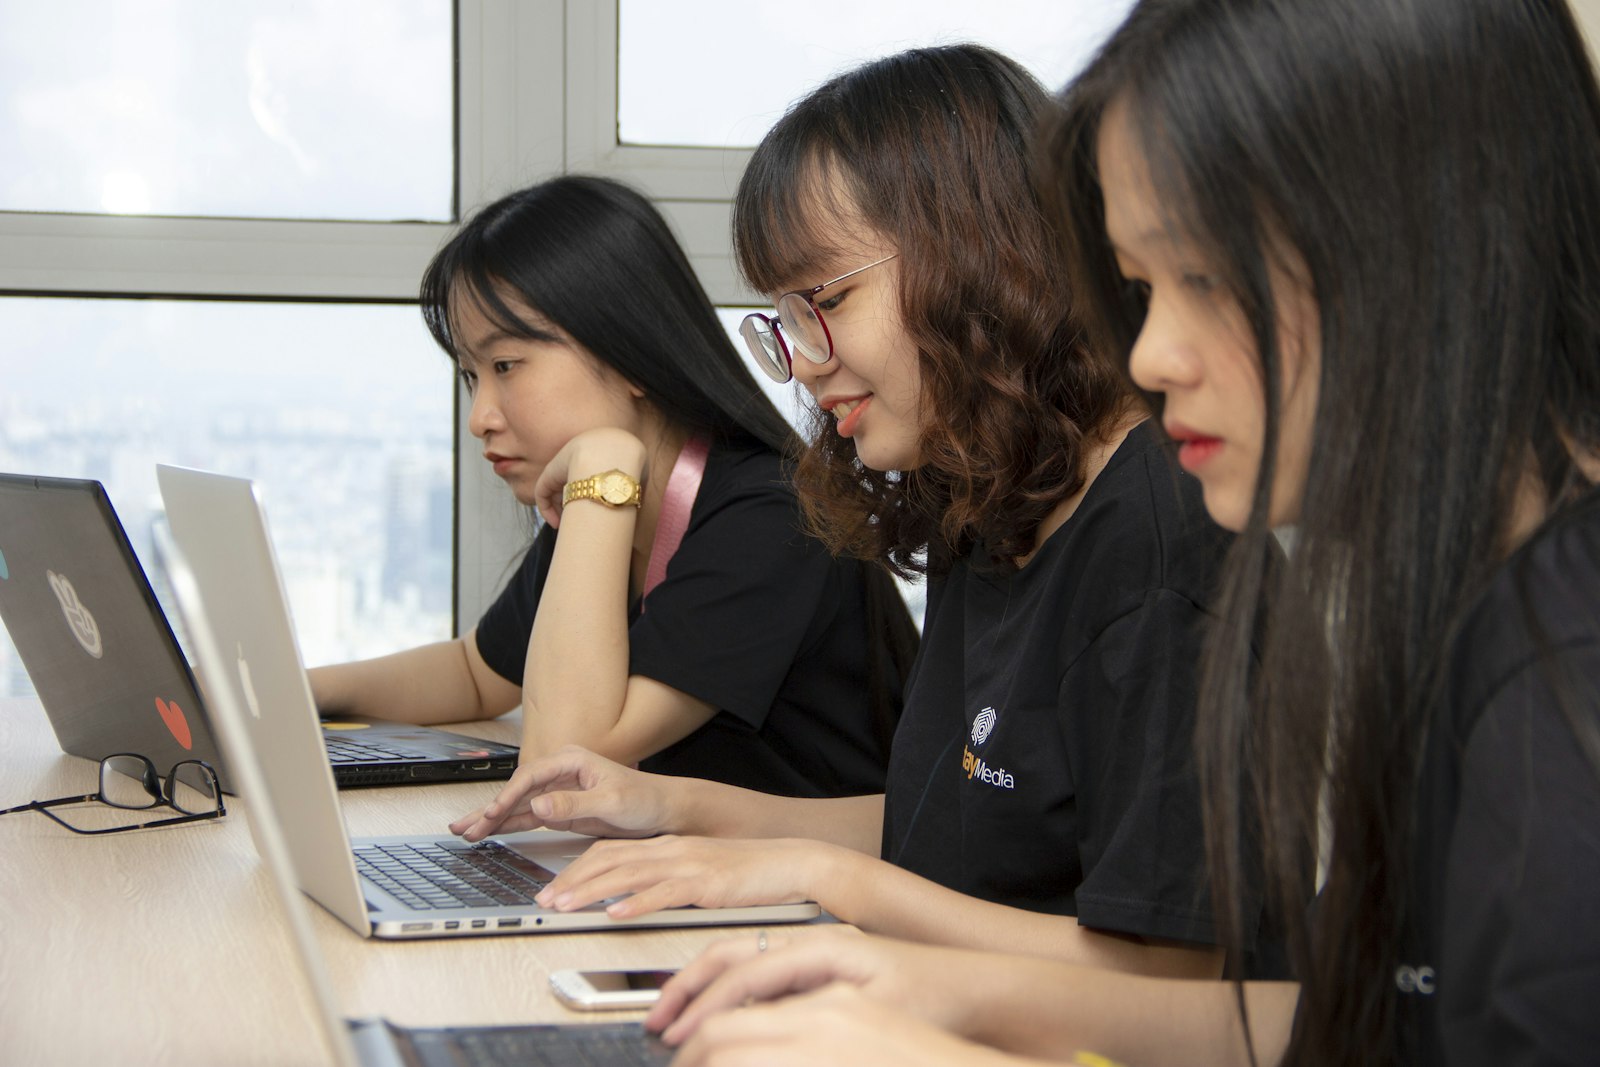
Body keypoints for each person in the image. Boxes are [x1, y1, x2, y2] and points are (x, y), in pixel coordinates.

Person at [640, 1, 1600, 1064]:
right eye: (1141, 288)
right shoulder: (1450, 602)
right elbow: (1328, 1020)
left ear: (1420, 235)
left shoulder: (1560, 663)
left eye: (1204, 278)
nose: (1148, 356)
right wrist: (913, 982)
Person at [456, 45, 1257, 983]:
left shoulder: (1153, 547)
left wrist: (820, 877)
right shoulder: (991, 500)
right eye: (785, 318)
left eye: (827, 299)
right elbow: (936, 831)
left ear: (985, 254)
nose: (802, 360)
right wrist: (671, 809)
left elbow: (1164, 979)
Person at [308, 174, 918, 799]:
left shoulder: (771, 513)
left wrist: (603, 467)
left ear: (626, 350)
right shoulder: (607, 502)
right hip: (695, 876)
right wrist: (293, 690)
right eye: (471, 375)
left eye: (505, 366)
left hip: (821, 891)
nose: (479, 416)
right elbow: (477, 673)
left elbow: (563, 757)